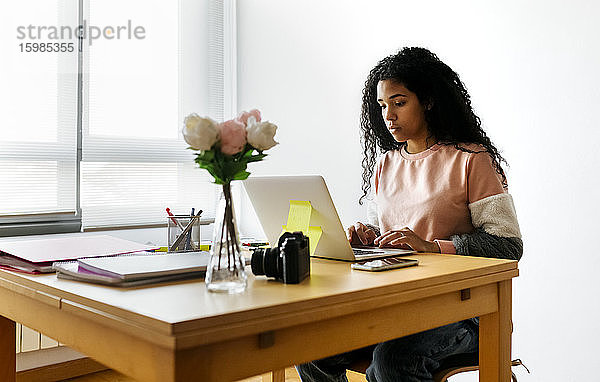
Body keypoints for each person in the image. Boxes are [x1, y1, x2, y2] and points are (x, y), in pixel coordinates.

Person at [296, 47, 522, 382]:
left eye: (399, 102)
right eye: (383, 105)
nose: (389, 115)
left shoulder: (471, 160)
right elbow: (383, 227)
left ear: (428, 100)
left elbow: (507, 245)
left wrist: (433, 247)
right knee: (308, 345)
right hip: (395, 305)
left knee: (392, 362)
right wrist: (368, 234)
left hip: (464, 312)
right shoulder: (386, 164)